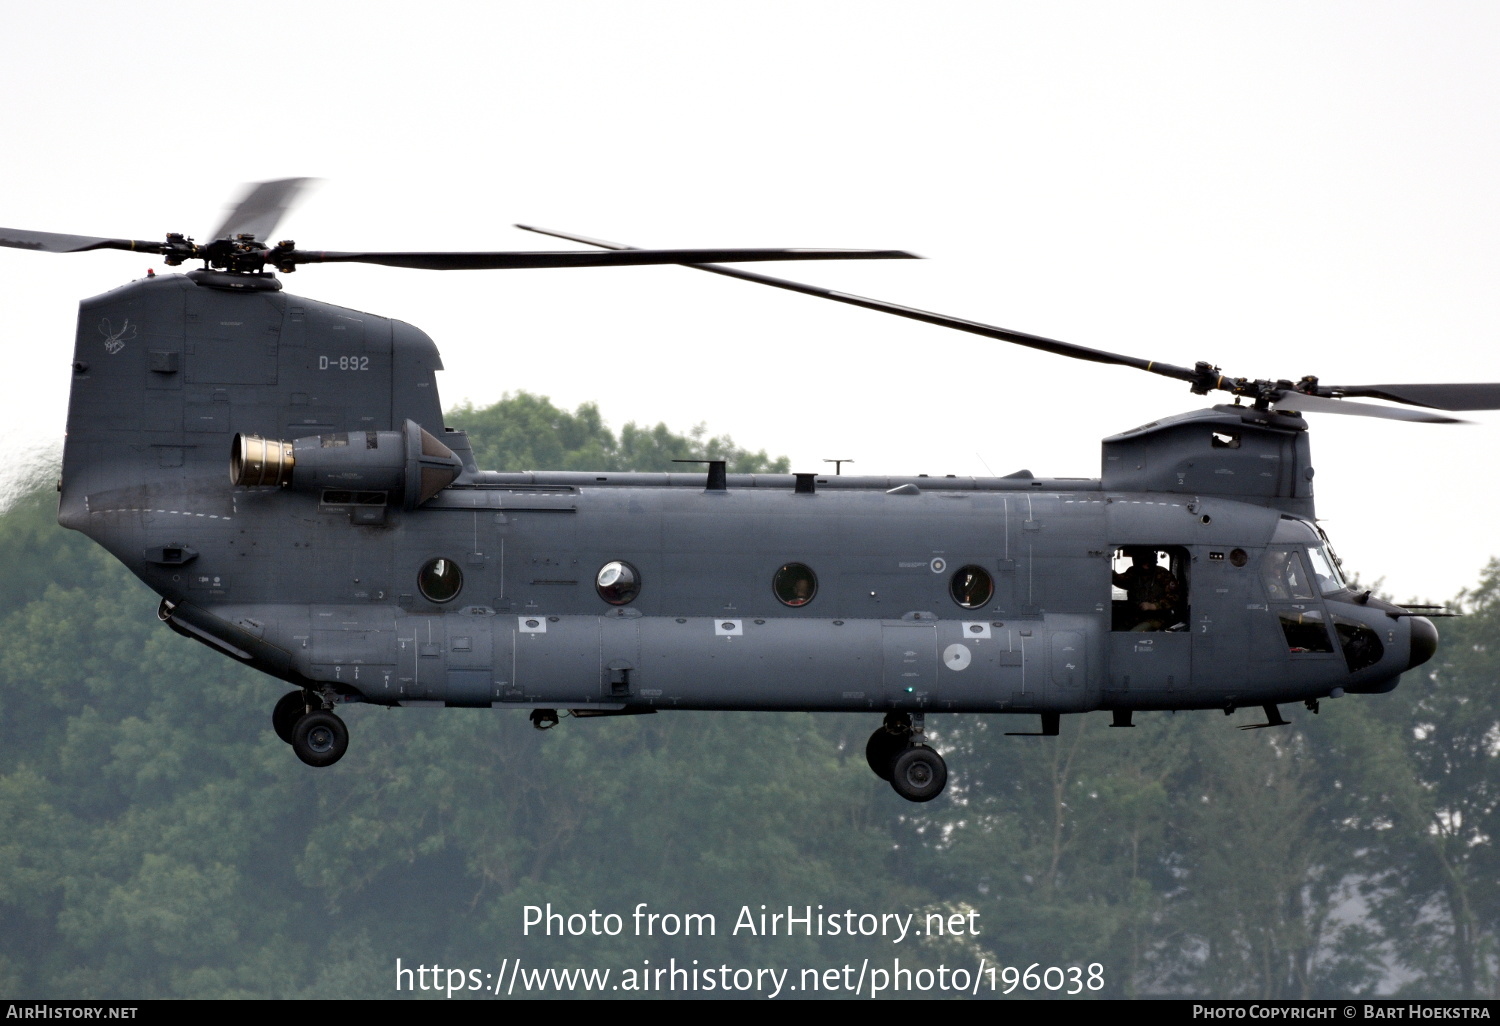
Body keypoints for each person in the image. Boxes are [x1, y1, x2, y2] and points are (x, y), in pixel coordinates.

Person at [1113, 549, 1180, 631]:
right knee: (1117, 631)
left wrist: (1153, 606)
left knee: (1134, 633)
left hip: (1156, 619)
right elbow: (1121, 580)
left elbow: (1174, 597)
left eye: (1148, 563)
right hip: (1135, 617)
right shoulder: (1134, 572)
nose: (1145, 566)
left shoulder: (1163, 574)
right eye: (1143, 563)